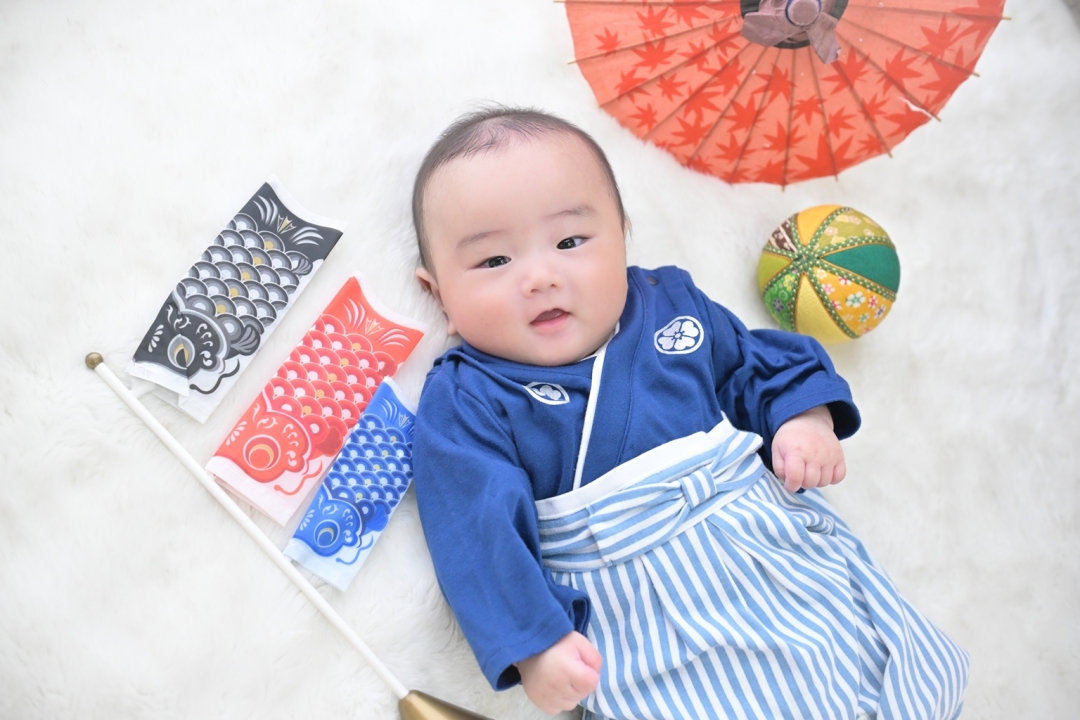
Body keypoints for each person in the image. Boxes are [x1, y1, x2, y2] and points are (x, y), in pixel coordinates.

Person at [410, 106, 968, 720]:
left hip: (768, 548)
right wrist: (535, 643)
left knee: (871, 664)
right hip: (641, 615)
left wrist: (803, 420)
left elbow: (753, 366)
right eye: (494, 261)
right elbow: (475, 529)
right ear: (439, 294)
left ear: (622, 237)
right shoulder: (467, 397)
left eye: (570, 242)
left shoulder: (669, 303)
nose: (540, 277)